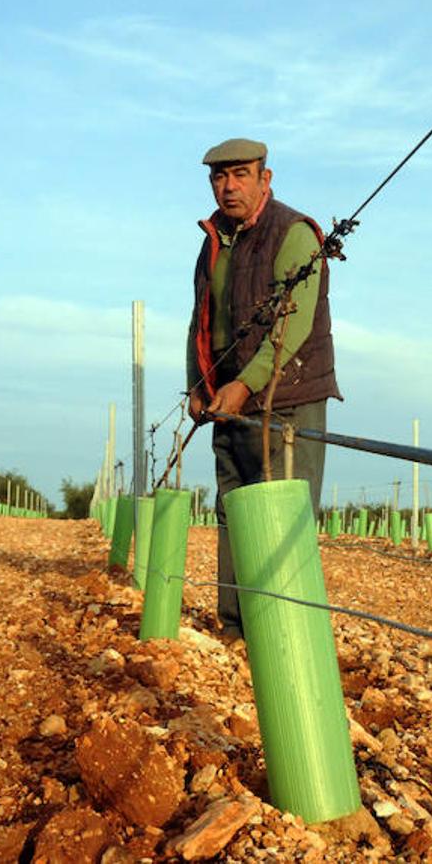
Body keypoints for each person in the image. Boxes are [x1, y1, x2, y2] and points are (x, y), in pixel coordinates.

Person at [186, 137, 341, 640]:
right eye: (219, 177)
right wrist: (198, 382)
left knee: (280, 517)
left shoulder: (294, 234)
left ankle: (282, 636)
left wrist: (245, 384)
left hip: (285, 402)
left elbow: (289, 330)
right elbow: (202, 322)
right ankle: (236, 630)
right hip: (226, 401)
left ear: (265, 179)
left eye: (241, 175)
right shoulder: (214, 242)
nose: (228, 187)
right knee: (234, 508)